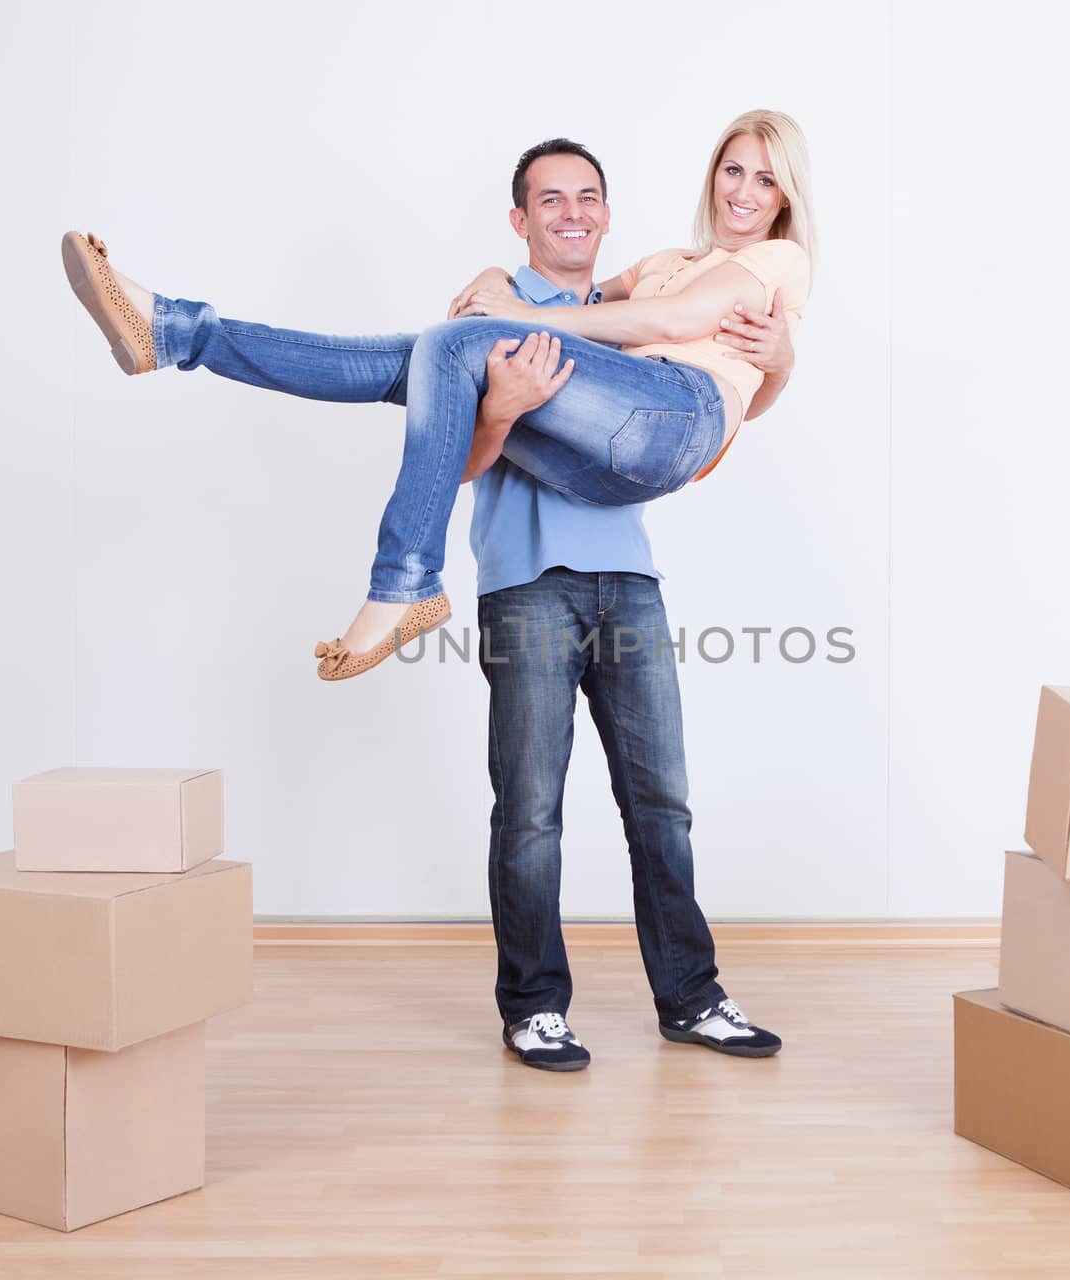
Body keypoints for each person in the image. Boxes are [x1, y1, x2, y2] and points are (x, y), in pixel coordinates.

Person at [62, 119, 811, 1069]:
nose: (573, 214)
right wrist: (498, 397)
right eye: (552, 200)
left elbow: (702, 360)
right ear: (522, 220)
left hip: (628, 574)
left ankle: (693, 998)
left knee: (661, 803)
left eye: (588, 199)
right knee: (530, 811)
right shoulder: (579, 291)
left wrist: (778, 362)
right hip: (526, 585)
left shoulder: (659, 297)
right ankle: (536, 1007)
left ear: (607, 215)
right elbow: (450, 468)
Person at [62, 110, 814, 687]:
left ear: (786, 200)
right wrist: (500, 288)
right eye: (734, 170)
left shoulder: (780, 259)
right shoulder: (670, 260)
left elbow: (676, 325)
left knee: (448, 345)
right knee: (422, 356)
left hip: (674, 421)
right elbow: (589, 300)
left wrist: (778, 369)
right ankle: (175, 333)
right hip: (610, 463)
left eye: (765, 179)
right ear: (713, 174)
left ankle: (405, 583)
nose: (744, 192)